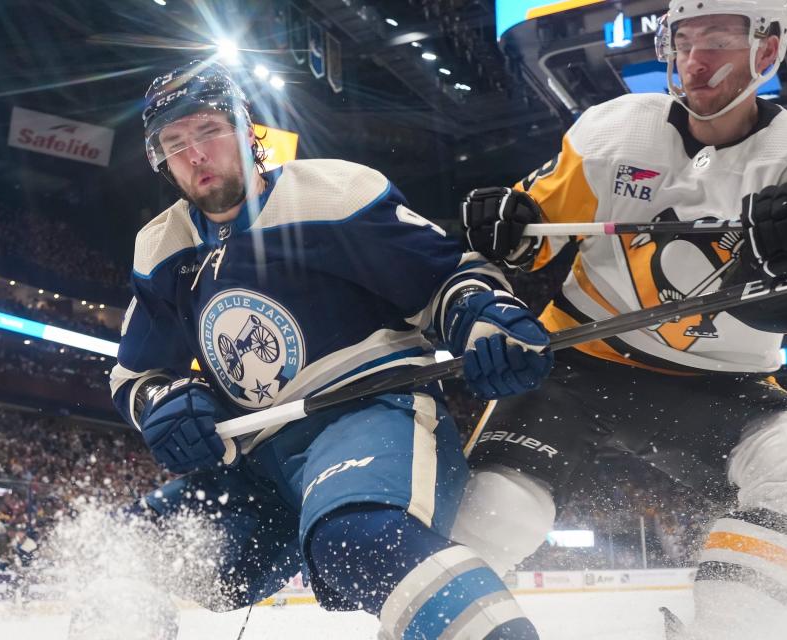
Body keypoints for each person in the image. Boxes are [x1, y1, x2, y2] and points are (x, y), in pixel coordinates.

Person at [452, 1, 787, 638]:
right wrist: (508, 229)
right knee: (488, 515)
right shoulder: (611, 132)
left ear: (768, 48)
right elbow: (539, 243)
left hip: (717, 382)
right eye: (683, 40)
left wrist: (783, 261)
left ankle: (724, 630)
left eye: (719, 40)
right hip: (579, 361)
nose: (695, 62)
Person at [106, 60, 554, 639]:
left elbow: (445, 281)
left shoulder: (334, 193)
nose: (195, 155)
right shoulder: (160, 247)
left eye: (208, 131)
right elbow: (135, 375)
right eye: (175, 143)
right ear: (161, 160)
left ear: (245, 129)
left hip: (368, 414)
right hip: (255, 454)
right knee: (132, 546)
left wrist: (485, 320)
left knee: (359, 537)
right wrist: (164, 402)